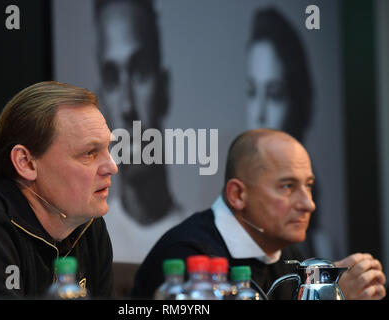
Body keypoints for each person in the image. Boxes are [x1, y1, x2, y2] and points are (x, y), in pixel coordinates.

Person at [132, 129, 386, 300]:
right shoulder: (190, 256)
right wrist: (332, 293)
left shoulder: (285, 253)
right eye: (287, 187)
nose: (309, 204)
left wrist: (326, 284)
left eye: (308, 185)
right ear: (238, 195)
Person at [0, 81, 118, 299]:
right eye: (90, 152)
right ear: (26, 163)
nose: (112, 167)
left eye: (107, 149)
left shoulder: (89, 226)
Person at [94, 0, 183, 264]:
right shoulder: (84, 244)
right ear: (100, 100)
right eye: (112, 79)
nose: (127, 105)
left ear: (164, 88)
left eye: (141, 72)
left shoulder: (201, 241)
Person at [245, 6, 332, 259]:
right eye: (251, 92)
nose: (259, 113)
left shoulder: (322, 248)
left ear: (298, 104)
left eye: (274, 95)